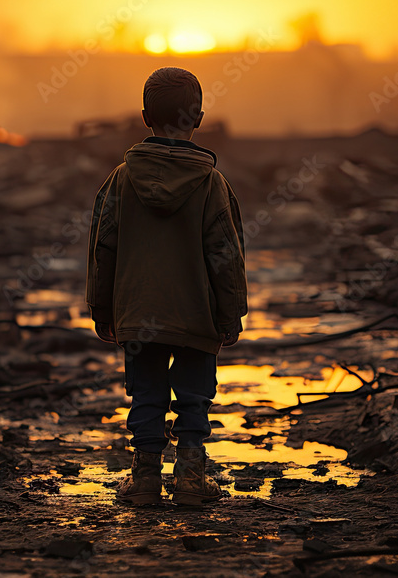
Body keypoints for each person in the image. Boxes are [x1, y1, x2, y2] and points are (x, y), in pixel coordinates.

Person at [85, 66, 248, 505]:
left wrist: (102, 309)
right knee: (195, 395)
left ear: (143, 117)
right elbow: (226, 255)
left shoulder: (121, 179)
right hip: (196, 312)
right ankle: (192, 478)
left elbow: (104, 248)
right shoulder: (212, 183)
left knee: (146, 392)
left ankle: (144, 479)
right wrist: (230, 314)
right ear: (197, 117)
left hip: (138, 314)